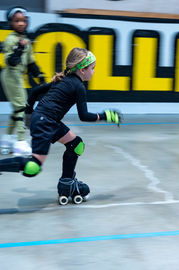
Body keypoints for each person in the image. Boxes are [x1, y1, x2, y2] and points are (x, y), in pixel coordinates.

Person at [0, 47, 122, 205]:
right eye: (92, 68)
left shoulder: (64, 78)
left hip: (46, 120)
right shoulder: (78, 86)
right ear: (82, 69)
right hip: (46, 122)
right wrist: (105, 116)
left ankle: (66, 184)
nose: (93, 72)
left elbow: (35, 92)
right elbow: (84, 116)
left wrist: (29, 116)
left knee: (76, 144)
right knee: (33, 167)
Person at [0, 6, 45, 156]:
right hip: (10, 75)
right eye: (16, 21)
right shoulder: (11, 39)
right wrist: (19, 47)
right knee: (21, 107)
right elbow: (11, 62)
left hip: (18, 76)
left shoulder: (26, 40)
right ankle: (20, 142)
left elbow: (31, 62)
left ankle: (6, 141)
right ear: (11, 23)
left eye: (23, 20)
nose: (20, 23)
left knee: (17, 109)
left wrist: (39, 75)